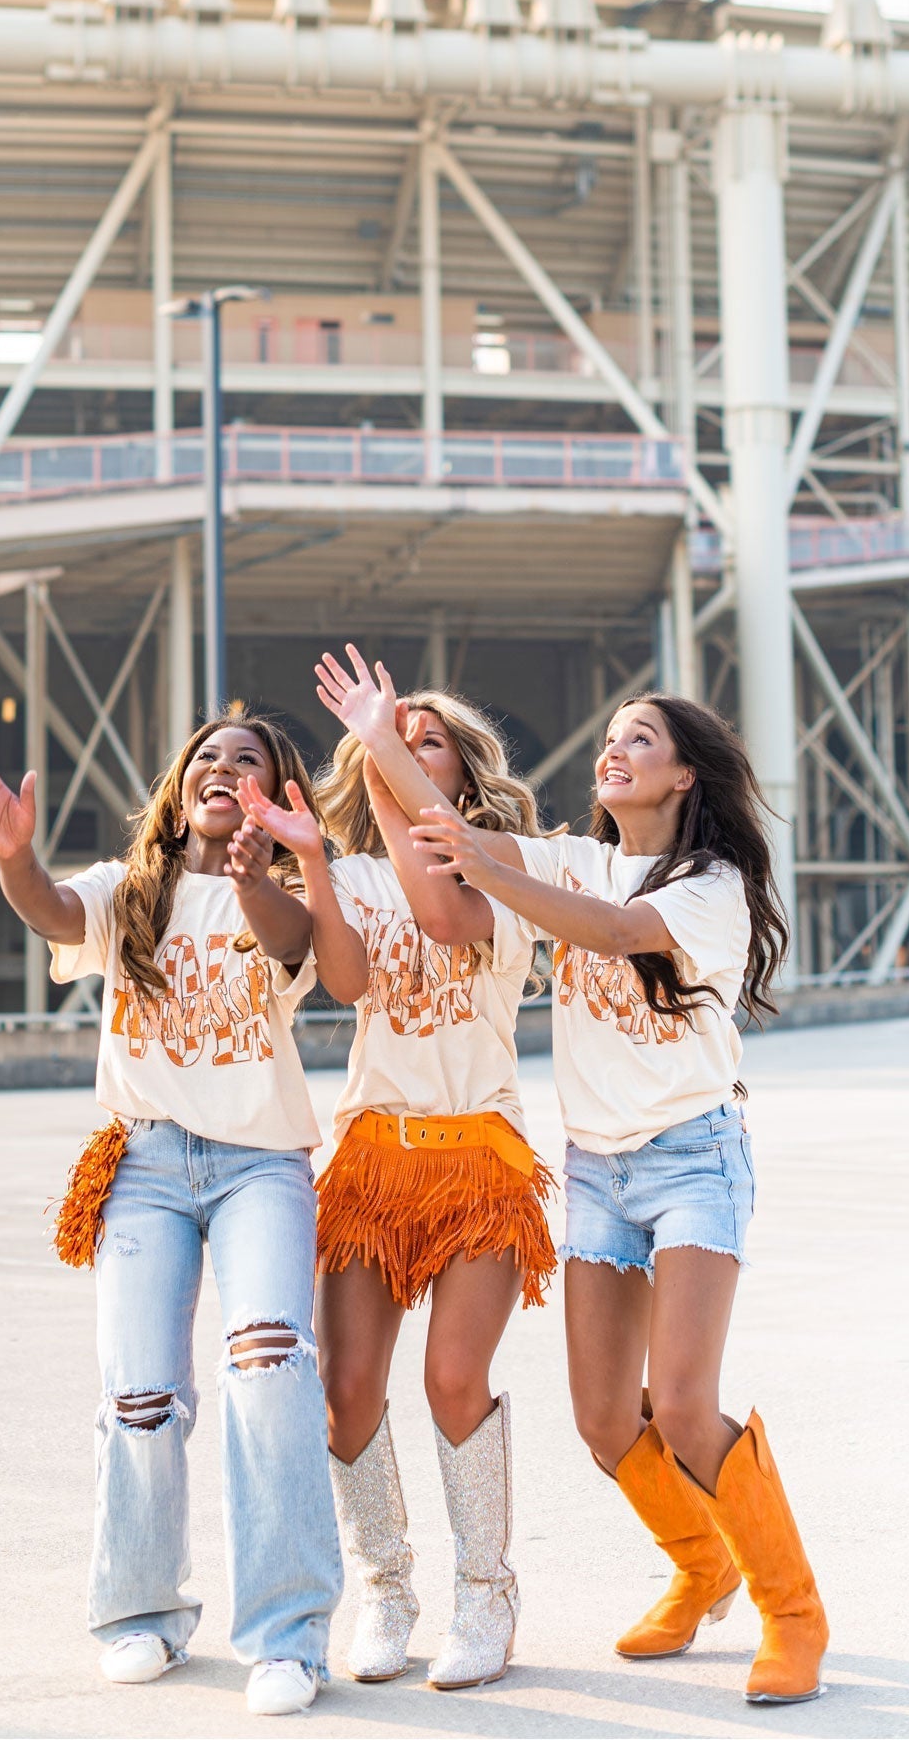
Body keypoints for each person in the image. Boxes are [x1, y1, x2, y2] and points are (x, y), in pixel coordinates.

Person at [405, 692, 830, 1708]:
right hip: (596, 1165)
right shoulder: (569, 856)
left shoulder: (711, 885)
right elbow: (458, 837)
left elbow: (611, 927)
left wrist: (496, 864)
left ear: (687, 773)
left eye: (641, 738)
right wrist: (390, 739)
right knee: (604, 1419)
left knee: (681, 1403)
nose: (614, 750)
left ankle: (794, 1612)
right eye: (608, 737)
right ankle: (701, 1563)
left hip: (693, 1157)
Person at [0, 711, 342, 1719]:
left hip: (260, 1161)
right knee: (138, 1393)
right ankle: (139, 1611)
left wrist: (259, 874)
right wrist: (15, 853)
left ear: (279, 792)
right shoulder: (127, 888)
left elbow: (296, 945)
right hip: (145, 1164)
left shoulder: (291, 891)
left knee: (268, 1364)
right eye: (206, 757)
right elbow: (47, 909)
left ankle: (287, 1634)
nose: (221, 766)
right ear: (177, 790)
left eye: (246, 759)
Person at [235, 655, 550, 1692]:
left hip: (480, 1154)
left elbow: (451, 914)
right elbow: (348, 977)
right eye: (389, 738)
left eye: (426, 740)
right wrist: (318, 865)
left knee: (453, 1377)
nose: (402, 747)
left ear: (463, 772)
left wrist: (379, 747)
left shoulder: (509, 864)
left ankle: (485, 1591)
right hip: (375, 1153)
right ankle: (387, 1585)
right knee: (347, 1390)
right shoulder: (358, 876)